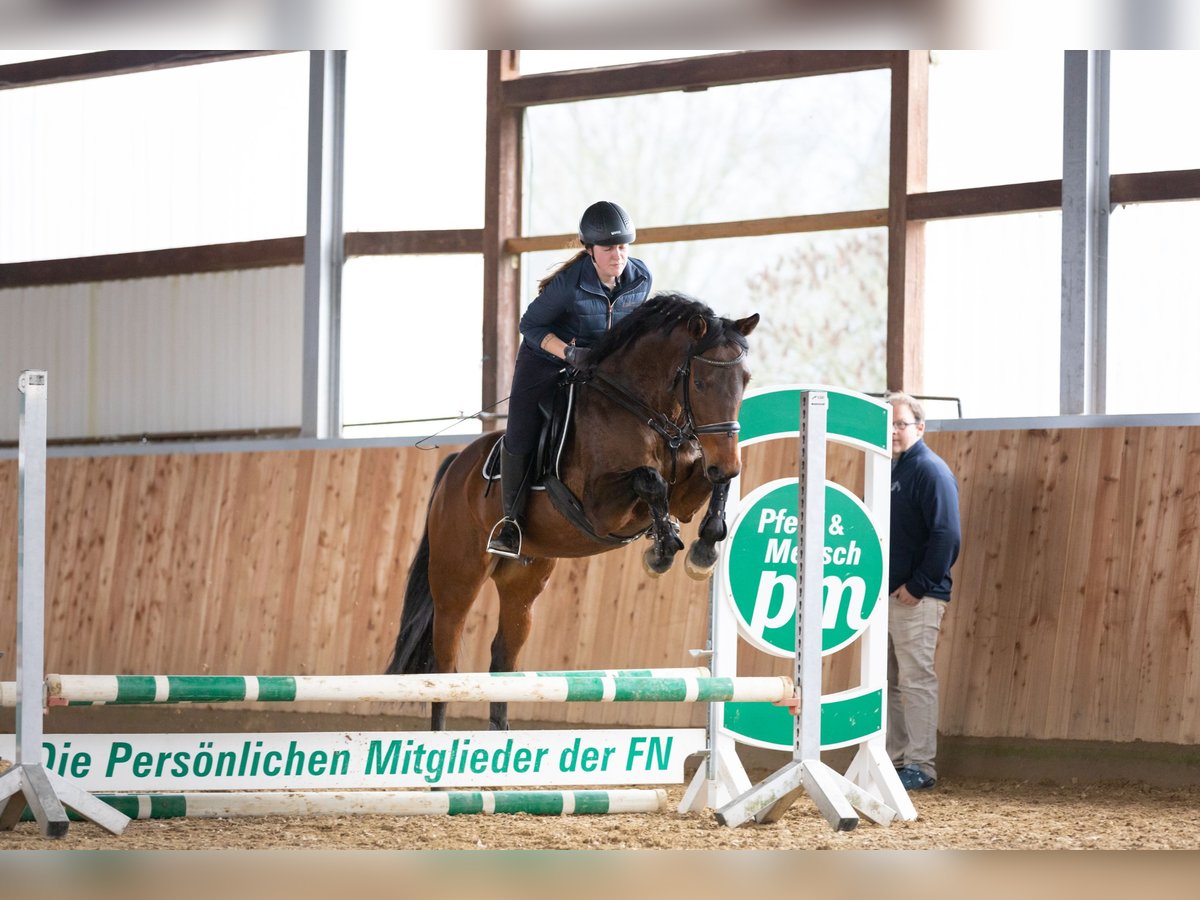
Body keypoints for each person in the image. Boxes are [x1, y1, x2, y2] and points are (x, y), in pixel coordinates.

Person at [486, 200, 653, 558]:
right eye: (608, 248)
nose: (617, 256)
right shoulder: (568, 285)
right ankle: (510, 522)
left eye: (623, 247)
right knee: (521, 429)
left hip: (600, 368)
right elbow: (529, 326)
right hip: (546, 359)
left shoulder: (641, 279)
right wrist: (568, 353)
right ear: (590, 250)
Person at [886, 391, 961, 791]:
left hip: (917, 598)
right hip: (886, 597)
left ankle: (920, 765)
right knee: (889, 684)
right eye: (889, 424)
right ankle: (896, 761)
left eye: (900, 424)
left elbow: (947, 535)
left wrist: (918, 586)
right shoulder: (890, 470)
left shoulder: (930, 471)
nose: (894, 431)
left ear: (919, 427)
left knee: (915, 682)